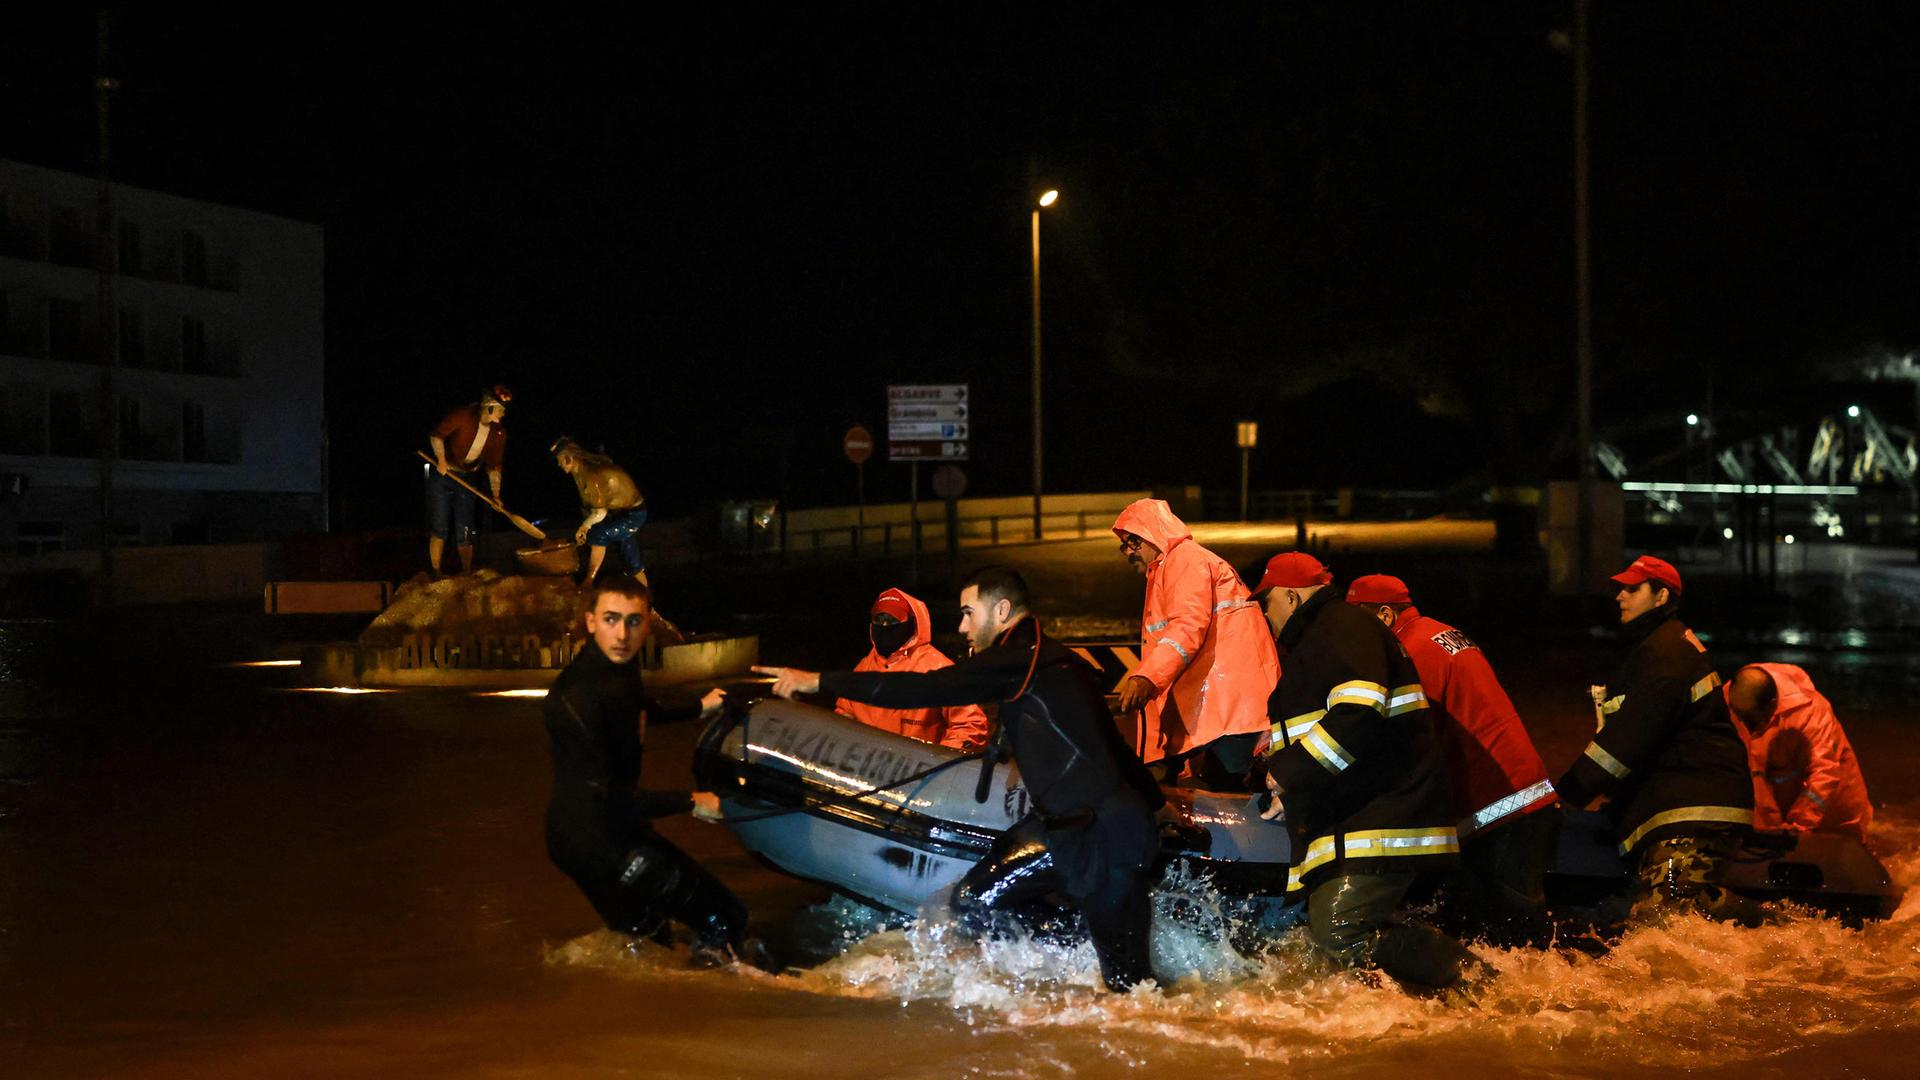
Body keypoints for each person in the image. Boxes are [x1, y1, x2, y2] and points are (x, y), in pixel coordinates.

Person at [756, 566, 1165, 992]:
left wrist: (818, 680)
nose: (962, 626)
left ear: (1002, 610)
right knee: (971, 902)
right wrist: (1156, 803)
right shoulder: (1056, 659)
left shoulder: (1019, 660)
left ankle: (1075, 978)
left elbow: (925, 689)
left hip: (1100, 836)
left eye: (970, 613)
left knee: (1132, 989)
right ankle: (1060, 976)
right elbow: (1112, 747)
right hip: (1067, 827)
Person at [1252, 553, 1476, 992]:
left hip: (1380, 816)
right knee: (1331, 938)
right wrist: (1289, 792)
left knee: (1340, 930)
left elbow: (1357, 713)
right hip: (1361, 816)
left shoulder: (1340, 628)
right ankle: (1436, 1011)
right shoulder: (1328, 636)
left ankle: (1479, 985)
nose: (1264, 612)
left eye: (1267, 601)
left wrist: (1289, 775)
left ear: (1292, 596)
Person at [542, 577, 751, 965]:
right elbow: (605, 796)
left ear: (647, 625)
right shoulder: (577, 696)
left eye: (633, 621)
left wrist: (700, 706)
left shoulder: (615, 669)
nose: (622, 634)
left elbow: (634, 710)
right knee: (726, 920)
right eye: (610, 619)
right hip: (596, 838)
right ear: (590, 622)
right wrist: (692, 801)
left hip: (591, 832)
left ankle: (657, 1012)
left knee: (652, 946)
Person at [1345, 573, 1558, 946]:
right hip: (1522, 794)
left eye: (1355, 624)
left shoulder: (1411, 652)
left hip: (1498, 808)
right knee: (1510, 934)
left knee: (1512, 935)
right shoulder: (1440, 633)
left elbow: (1404, 739)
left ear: (1383, 615)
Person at [1553, 555, 1757, 924]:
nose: (1620, 596)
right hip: (1688, 809)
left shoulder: (1666, 654)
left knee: (1662, 926)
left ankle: (1766, 925)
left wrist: (1565, 795)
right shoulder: (1663, 647)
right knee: (1662, 921)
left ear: (1661, 597)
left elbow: (1625, 742)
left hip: (1691, 814)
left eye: (1633, 589)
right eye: (1620, 588)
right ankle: (1759, 923)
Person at [1109, 498, 1278, 784]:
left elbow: (1187, 627)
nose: (1129, 553)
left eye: (1132, 543)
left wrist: (1147, 678)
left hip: (1228, 706)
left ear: (1150, 535)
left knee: (1232, 787)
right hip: (1226, 703)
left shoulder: (1185, 561)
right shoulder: (1176, 564)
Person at [1725, 663, 1872, 844]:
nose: (1746, 726)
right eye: (1740, 716)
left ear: (1772, 706)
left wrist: (1799, 826)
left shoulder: (1812, 712)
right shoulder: (1730, 699)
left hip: (1830, 802)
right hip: (1773, 799)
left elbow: (1823, 774)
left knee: (1838, 849)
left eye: (1751, 720)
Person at [835, 588, 989, 751]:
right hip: (868, 769)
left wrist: (936, 761)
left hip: (917, 773)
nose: (885, 625)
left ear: (912, 623)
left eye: (893, 620)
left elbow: (970, 725)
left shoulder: (937, 668)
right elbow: (843, 716)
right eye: (879, 619)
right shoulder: (862, 668)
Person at [426, 384, 511, 575]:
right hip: (444, 474)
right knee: (440, 525)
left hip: (467, 478)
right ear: (489, 407)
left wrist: (496, 495)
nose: (503, 414)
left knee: (465, 527)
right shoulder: (463, 416)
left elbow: (494, 467)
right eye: (500, 410)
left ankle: (466, 571)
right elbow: (436, 436)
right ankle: (436, 571)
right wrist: (441, 459)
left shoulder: (498, 433)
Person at [552, 437, 648, 585]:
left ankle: (589, 580)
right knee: (631, 559)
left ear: (569, 458)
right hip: (619, 514)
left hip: (632, 515)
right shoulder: (579, 472)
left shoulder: (590, 475)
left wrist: (584, 527)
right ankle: (646, 597)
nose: (559, 464)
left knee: (597, 535)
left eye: (560, 460)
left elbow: (599, 512)